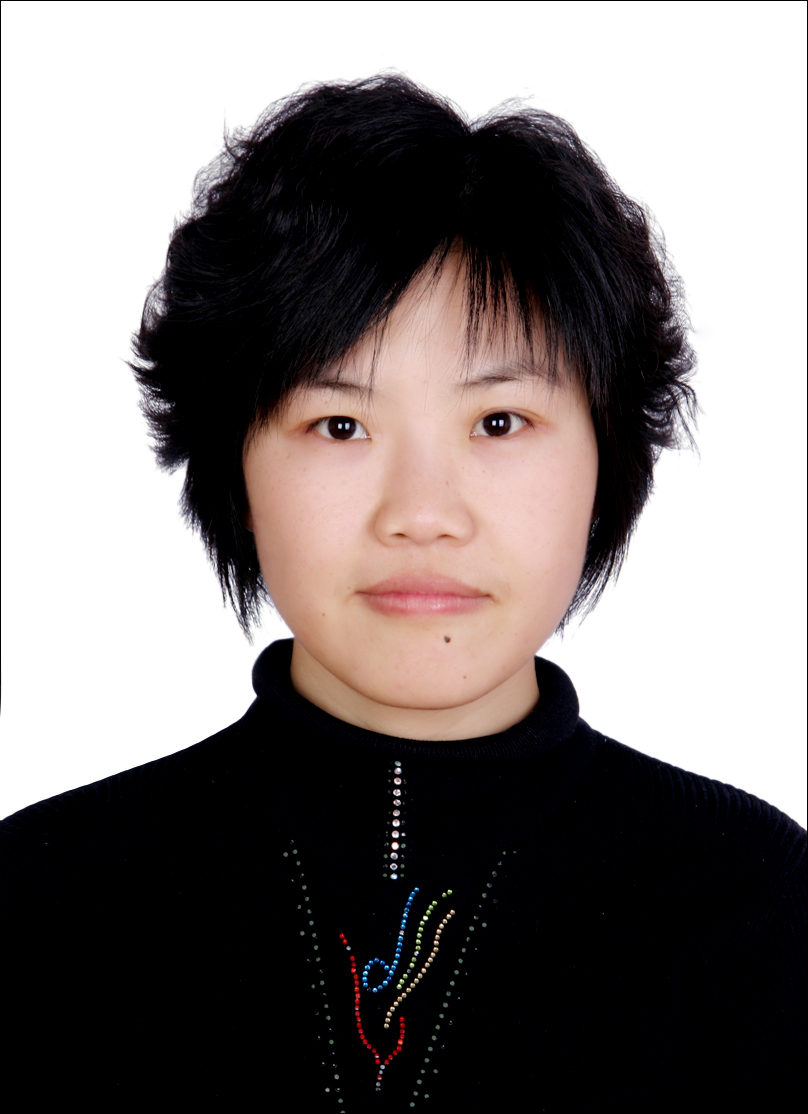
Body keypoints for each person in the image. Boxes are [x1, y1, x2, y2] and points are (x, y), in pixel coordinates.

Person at [1, 75, 804, 1114]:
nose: (422, 513)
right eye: (340, 426)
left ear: (606, 458)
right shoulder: (44, 900)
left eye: (499, 423)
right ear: (235, 472)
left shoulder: (755, 905)